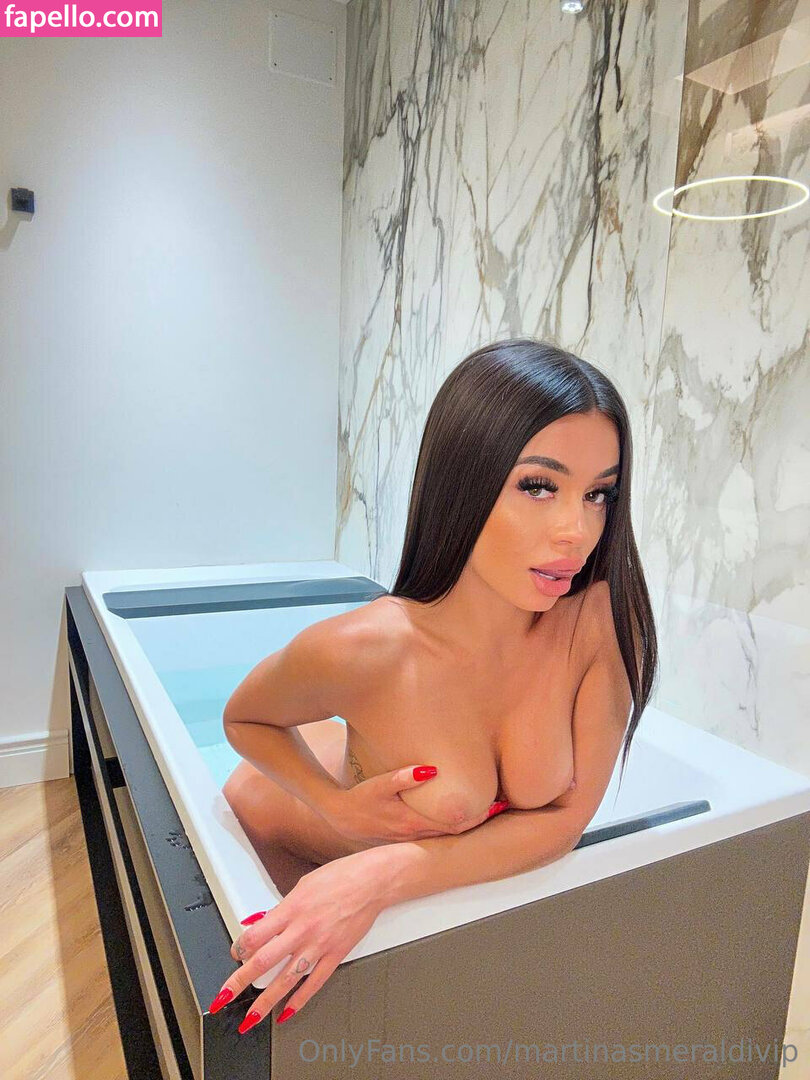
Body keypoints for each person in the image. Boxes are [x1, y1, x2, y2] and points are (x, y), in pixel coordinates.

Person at [212, 338, 658, 1034]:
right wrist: (336, 809)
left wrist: (384, 873)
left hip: (373, 872)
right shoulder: (366, 648)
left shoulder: (599, 620)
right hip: (273, 825)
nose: (577, 531)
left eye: (598, 493)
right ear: (462, 482)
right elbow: (243, 718)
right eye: (539, 486)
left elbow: (566, 821)